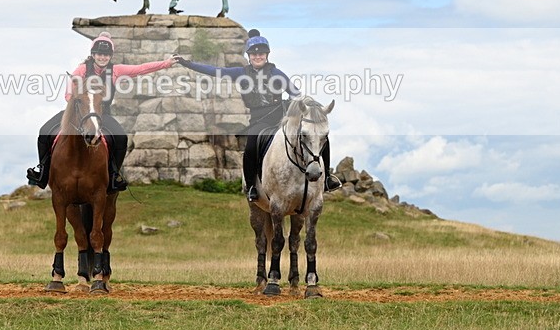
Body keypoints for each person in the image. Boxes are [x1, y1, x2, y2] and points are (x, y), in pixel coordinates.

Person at [175, 29, 341, 201]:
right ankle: (251, 186)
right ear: (249, 56)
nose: (257, 57)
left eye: (261, 54)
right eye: (254, 55)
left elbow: (295, 93)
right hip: (259, 121)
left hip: (280, 119)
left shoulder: (276, 73)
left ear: (267, 55)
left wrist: (309, 105)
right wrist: (186, 63)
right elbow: (214, 70)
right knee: (251, 146)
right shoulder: (240, 73)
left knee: (319, 136)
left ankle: (327, 177)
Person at [27, 31, 177, 191]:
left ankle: (113, 176)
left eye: (106, 55)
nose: (102, 57)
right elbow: (68, 93)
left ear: (110, 56)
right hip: (76, 112)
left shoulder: (116, 71)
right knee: (44, 132)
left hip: (101, 115)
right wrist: (76, 101)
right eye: (99, 54)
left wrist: (166, 63)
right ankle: (43, 173)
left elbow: (140, 69)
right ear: (93, 54)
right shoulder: (82, 70)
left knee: (121, 138)